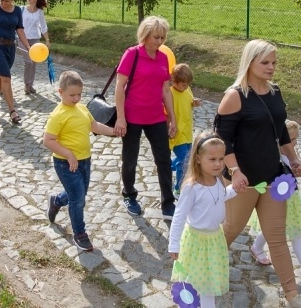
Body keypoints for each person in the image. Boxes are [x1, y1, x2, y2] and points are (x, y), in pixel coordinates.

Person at [215, 39, 301, 308]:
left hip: (272, 177)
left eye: (274, 62)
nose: (271, 67)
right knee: (230, 230)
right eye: (265, 62)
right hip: (244, 180)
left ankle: (293, 296)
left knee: (277, 237)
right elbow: (222, 140)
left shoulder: (275, 92)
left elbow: (281, 131)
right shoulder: (234, 96)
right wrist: (235, 171)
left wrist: (293, 159)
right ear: (250, 63)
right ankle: (197, 273)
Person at [44, 71, 119, 252]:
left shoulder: (83, 109)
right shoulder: (58, 115)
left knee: (78, 193)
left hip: (85, 160)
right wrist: (69, 154)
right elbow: (48, 140)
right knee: (78, 199)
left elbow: (95, 126)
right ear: (60, 92)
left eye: (79, 94)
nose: (77, 98)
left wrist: (113, 132)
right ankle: (80, 233)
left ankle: (56, 201)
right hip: (66, 163)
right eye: (72, 95)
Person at [114, 16, 177, 219]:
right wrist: (121, 118)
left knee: (164, 160)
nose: (160, 41)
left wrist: (172, 118)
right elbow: (119, 87)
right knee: (130, 159)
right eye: (156, 37)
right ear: (145, 35)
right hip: (132, 116)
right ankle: (129, 195)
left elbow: (166, 90)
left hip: (156, 117)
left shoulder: (163, 57)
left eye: (163, 37)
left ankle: (168, 202)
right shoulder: (132, 54)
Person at [168, 133, 237, 308]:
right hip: (195, 241)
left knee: (209, 282)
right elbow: (179, 216)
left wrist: (234, 189)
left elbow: (220, 197)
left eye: (221, 159)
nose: (218, 164)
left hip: (214, 239)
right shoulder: (192, 187)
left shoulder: (218, 181)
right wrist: (174, 243)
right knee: (191, 281)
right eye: (212, 159)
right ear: (198, 159)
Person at [248, 120, 301, 277]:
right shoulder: (271, 158)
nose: (294, 143)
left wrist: (299, 169)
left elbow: (294, 173)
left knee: (294, 231)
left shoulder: (291, 156)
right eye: (290, 139)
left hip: (291, 199)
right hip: (275, 200)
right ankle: (257, 248)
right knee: (273, 227)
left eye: (295, 139)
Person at [169, 63, 202, 197]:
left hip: (187, 132)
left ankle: (166, 166)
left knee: (188, 159)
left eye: (188, 84)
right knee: (185, 161)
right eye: (183, 84)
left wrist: (194, 103)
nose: (186, 87)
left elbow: (189, 102)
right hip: (177, 134)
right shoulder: (170, 93)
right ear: (174, 81)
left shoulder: (187, 90)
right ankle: (178, 188)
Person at [21, 0, 50, 94]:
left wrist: (47, 40)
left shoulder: (40, 12)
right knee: (28, 61)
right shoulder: (22, 9)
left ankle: (30, 85)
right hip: (22, 39)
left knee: (34, 62)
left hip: (35, 39)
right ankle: (26, 84)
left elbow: (43, 26)